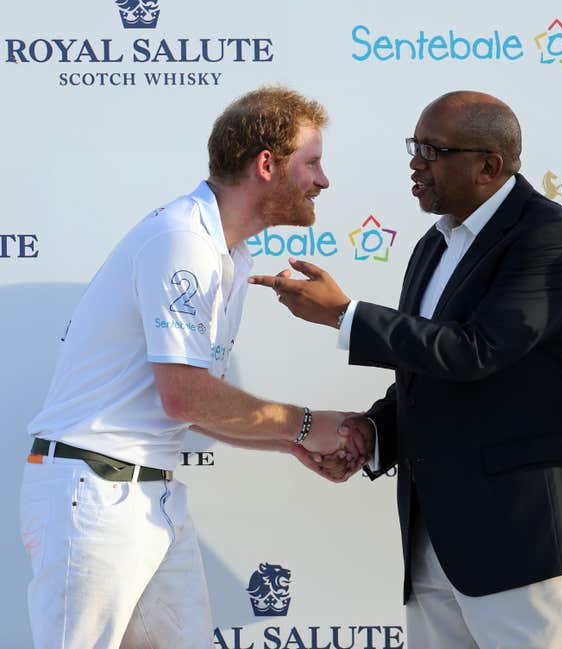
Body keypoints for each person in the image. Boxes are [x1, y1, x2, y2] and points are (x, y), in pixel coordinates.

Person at [249, 90, 562, 649]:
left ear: (488, 165)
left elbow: (478, 351)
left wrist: (345, 317)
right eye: (413, 147)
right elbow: (426, 372)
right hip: (434, 539)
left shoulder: (549, 237)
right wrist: (374, 434)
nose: (414, 163)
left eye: (431, 150)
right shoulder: (433, 245)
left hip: (527, 541)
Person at [19, 86, 365, 649]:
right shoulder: (182, 241)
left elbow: (190, 402)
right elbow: (185, 396)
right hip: (95, 496)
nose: (322, 180)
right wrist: (305, 423)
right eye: (313, 163)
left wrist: (290, 444)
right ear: (267, 165)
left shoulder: (232, 253)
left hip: (148, 496)